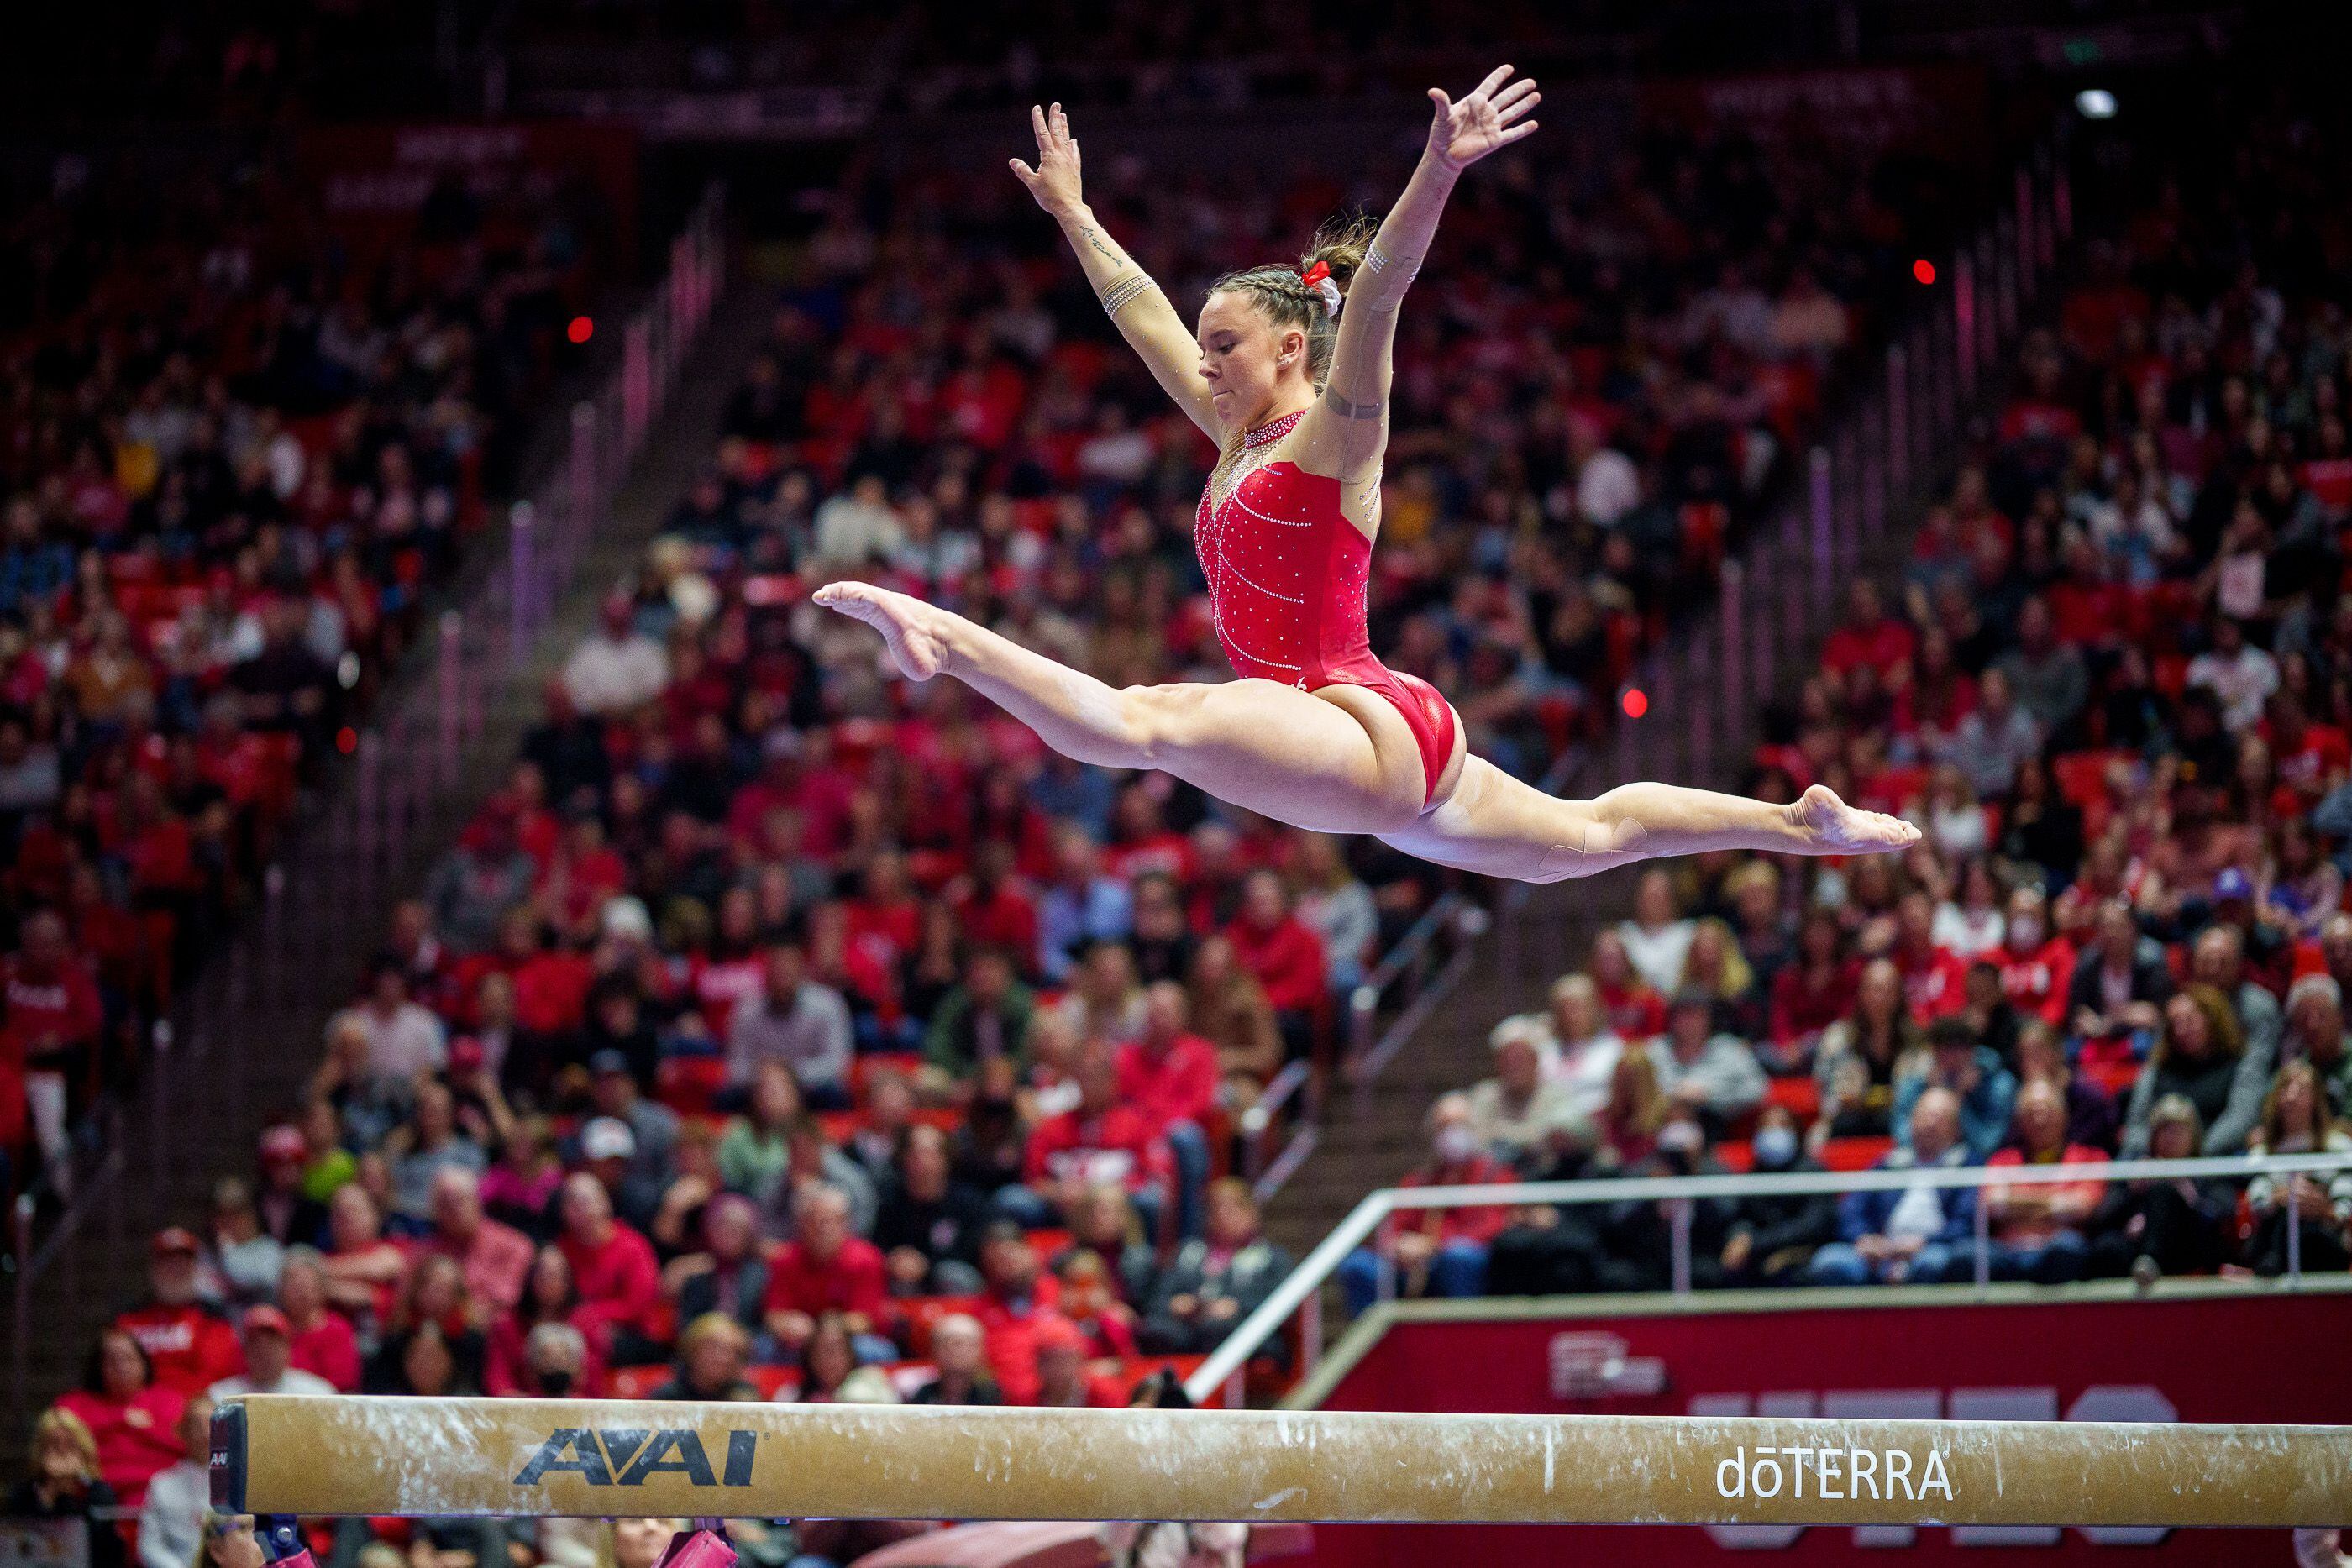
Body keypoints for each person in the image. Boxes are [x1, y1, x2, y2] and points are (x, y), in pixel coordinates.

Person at [813, 77, 1916, 890]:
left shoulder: (1334, 438)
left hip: (1341, 711)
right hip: (1386, 730)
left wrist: (1438, 167)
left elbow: (1379, 292)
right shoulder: (1234, 436)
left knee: (1144, 717)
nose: (1205, 364)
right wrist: (1075, 214)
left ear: (1293, 347)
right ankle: (1794, 819)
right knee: (1583, 839)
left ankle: (938, 635)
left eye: (1226, 346)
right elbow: (1140, 312)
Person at [1336, 1093, 1510, 1313]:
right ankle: (1376, 1344)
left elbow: (1494, 1227)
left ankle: (1466, 1337)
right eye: (1444, 1126)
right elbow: (1392, 1231)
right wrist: (1398, 1246)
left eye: (1459, 1125)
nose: (1452, 1134)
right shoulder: (1418, 1181)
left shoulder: (1495, 1175)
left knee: (1459, 1256)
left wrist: (1433, 1245)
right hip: (1415, 1268)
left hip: (1463, 1264)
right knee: (1357, 1265)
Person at [1806, 1088, 1977, 1287]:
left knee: (1932, 1263)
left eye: (1940, 1118)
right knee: (1829, 1259)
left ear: (1956, 1128)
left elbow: (1966, 1223)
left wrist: (1924, 1243)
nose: (1930, 1124)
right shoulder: (1889, 1164)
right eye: (1925, 1116)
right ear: (1912, 1121)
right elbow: (1851, 1209)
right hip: (1881, 1250)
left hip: (1933, 1249)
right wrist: (1864, 1239)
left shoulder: (1967, 1165)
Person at [1138, 1180, 1293, 1355]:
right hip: (1187, 1330)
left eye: (1231, 1209)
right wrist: (1174, 1304)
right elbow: (1157, 1297)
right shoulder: (1188, 1252)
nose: (1222, 1215)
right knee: (1156, 1329)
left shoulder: (1271, 1258)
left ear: (1251, 1213)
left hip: (1242, 1332)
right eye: (1215, 1209)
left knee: (1217, 1328)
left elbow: (1283, 1305)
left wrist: (1237, 1306)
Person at [1981, 1081, 2108, 1283]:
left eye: (2046, 1112)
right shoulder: (2002, 1159)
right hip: (2007, 1252)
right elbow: (1994, 1205)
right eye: (2031, 1113)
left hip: (2060, 1252)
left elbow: (2080, 1207)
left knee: (2067, 1247)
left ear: (2064, 1116)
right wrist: (2055, 1204)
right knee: (1969, 1254)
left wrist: (2016, 1204)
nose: (2039, 1120)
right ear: (2020, 1121)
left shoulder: (2091, 1157)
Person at [2243, 1060, 2352, 1276]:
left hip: (2322, 1239)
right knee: (2289, 1210)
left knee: (2306, 1228)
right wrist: (2282, 1197)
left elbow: (2345, 1206)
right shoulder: (2263, 1153)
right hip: (2271, 1237)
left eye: (2301, 1090)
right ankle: (2277, 1257)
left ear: (2316, 1100)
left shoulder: (2339, 1148)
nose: (2292, 1097)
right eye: (2286, 1089)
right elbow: (2258, 1202)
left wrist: (2322, 1209)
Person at [54, 1330, 183, 1511]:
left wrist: (147, 1429)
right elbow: (57, 1445)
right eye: (112, 1361)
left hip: (161, 1493)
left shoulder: (170, 1400)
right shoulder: (74, 1404)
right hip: (92, 1493)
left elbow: (187, 1444)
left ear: (144, 1363)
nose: (121, 1366)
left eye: (129, 1359)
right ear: (98, 1367)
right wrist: (121, 1420)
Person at [8, 1408, 125, 1568]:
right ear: (41, 1451)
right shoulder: (22, 1494)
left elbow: (103, 1551)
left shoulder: (99, 1493)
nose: (62, 1451)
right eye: (55, 1445)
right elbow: (21, 1549)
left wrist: (69, 1491)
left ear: (82, 1450)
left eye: (70, 1444)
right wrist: (51, 1491)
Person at [135, 1398, 211, 1568]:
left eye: (212, 1424)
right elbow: (149, 1545)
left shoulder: (238, 1483)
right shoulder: (162, 1484)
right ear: (183, 1432)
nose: (207, 1433)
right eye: (198, 1425)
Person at [207, 1306, 335, 1398]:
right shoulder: (222, 1397)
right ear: (245, 1352)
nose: (265, 1353)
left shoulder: (317, 1394)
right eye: (257, 1346)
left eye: (273, 1345)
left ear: (288, 1349)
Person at [908, 1314, 1003, 1405]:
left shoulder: (993, 1396)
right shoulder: (919, 1393)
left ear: (981, 1351)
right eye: (953, 1343)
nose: (959, 1350)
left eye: (969, 1344)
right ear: (934, 1349)